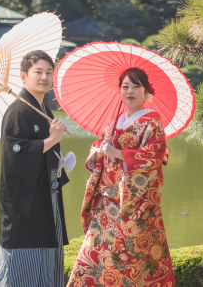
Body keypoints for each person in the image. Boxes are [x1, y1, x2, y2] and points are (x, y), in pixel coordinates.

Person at [67, 67, 175, 287]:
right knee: (92, 257)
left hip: (136, 205)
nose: (130, 91)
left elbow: (153, 158)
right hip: (107, 204)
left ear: (146, 92)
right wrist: (99, 152)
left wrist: (118, 153)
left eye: (137, 86)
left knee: (135, 260)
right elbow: (96, 152)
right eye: (125, 86)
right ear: (119, 91)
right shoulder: (114, 123)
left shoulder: (152, 122)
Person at [0, 49, 70, 287]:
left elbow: (50, 156)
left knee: (47, 270)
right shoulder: (18, 111)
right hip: (24, 206)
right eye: (38, 72)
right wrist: (51, 140)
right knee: (22, 273)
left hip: (47, 201)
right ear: (23, 77)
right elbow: (15, 155)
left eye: (49, 72)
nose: (44, 77)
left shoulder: (44, 110)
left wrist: (60, 176)